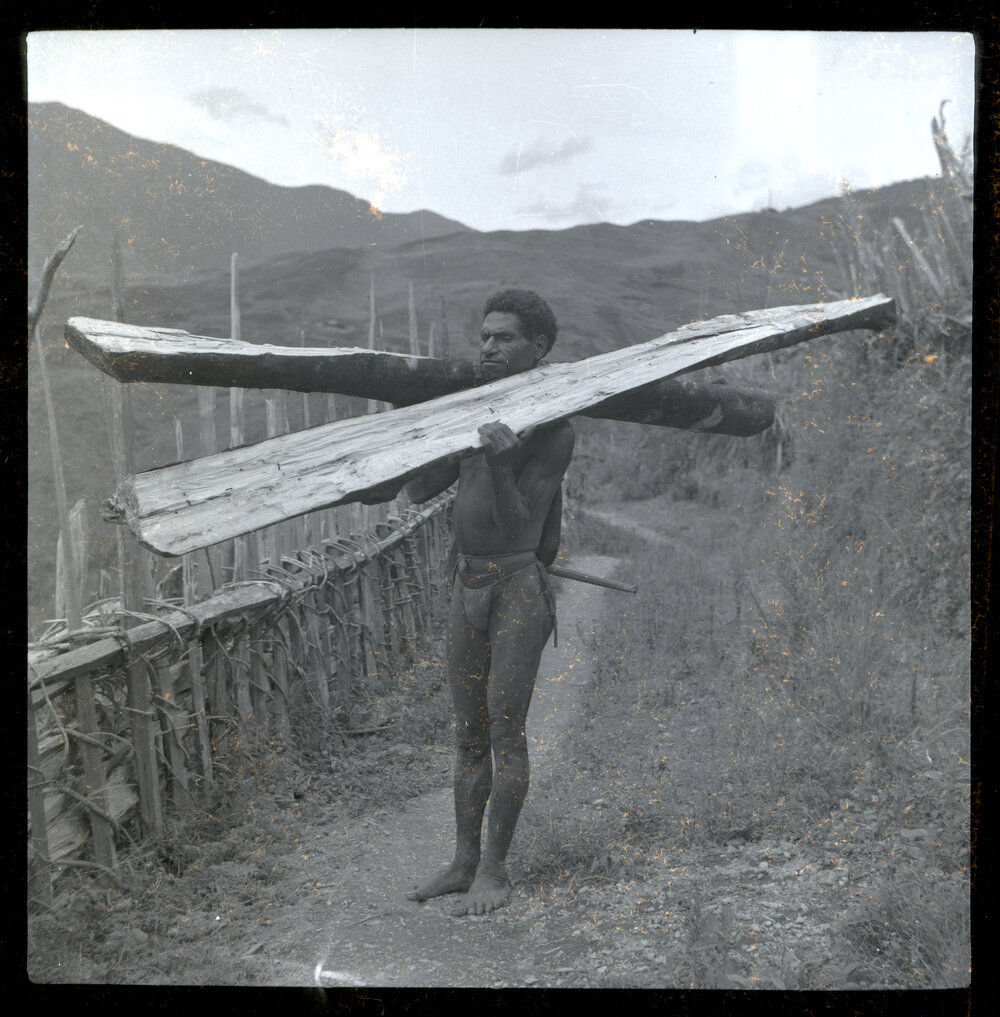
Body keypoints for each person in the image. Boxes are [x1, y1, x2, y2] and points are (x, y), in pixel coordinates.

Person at [404, 289, 575, 916]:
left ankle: (495, 872)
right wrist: (413, 442)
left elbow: (516, 524)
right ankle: (461, 861)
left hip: (515, 588)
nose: (489, 348)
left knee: (507, 734)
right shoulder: (473, 414)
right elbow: (420, 487)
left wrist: (500, 465)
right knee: (468, 735)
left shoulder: (556, 431)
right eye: (484, 338)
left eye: (504, 338)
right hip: (466, 584)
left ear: (539, 349)